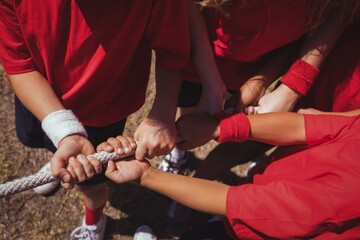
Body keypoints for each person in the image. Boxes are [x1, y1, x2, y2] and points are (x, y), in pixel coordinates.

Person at [157, 0, 360, 237]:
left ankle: (247, 180)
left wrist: (147, 176)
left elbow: (238, 202)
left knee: (278, 168)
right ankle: (192, 189)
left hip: (338, 129)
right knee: (231, 145)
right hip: (324, 101)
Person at [0, 1, 190, 239]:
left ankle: (94, 220)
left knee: (90, 185)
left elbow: (173, 50)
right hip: (39, 101)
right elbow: (18, 63)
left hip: (103, 110)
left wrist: (162, 115)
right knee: (37, 139)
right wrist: (64, 131)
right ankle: (57, 155)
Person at [95, 109, 360, 239]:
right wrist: (219, 128)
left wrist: (145, 174)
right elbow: (307, 127)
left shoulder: (345, 198)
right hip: (268, 195)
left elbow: (240, 202)